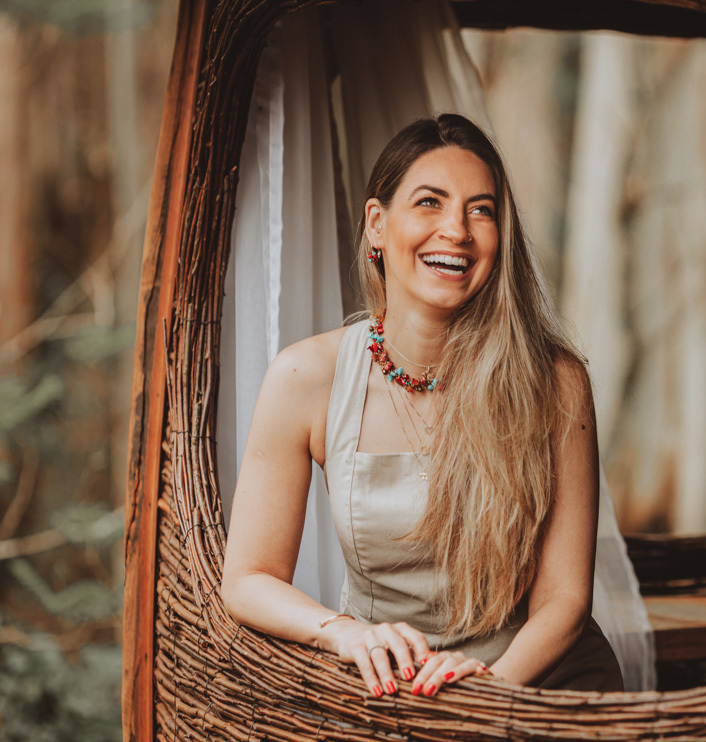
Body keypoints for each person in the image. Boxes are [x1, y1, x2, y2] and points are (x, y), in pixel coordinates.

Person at [220, 114, 623, 698]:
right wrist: (343, 634)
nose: (456, 230)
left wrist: (484, 691)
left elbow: (564, 603)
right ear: (377, 225)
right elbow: (247, 579)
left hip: (537, 686)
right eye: (430, 202)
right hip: (388, 688)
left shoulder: (556, 382)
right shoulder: (306, 377)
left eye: (481, 210)